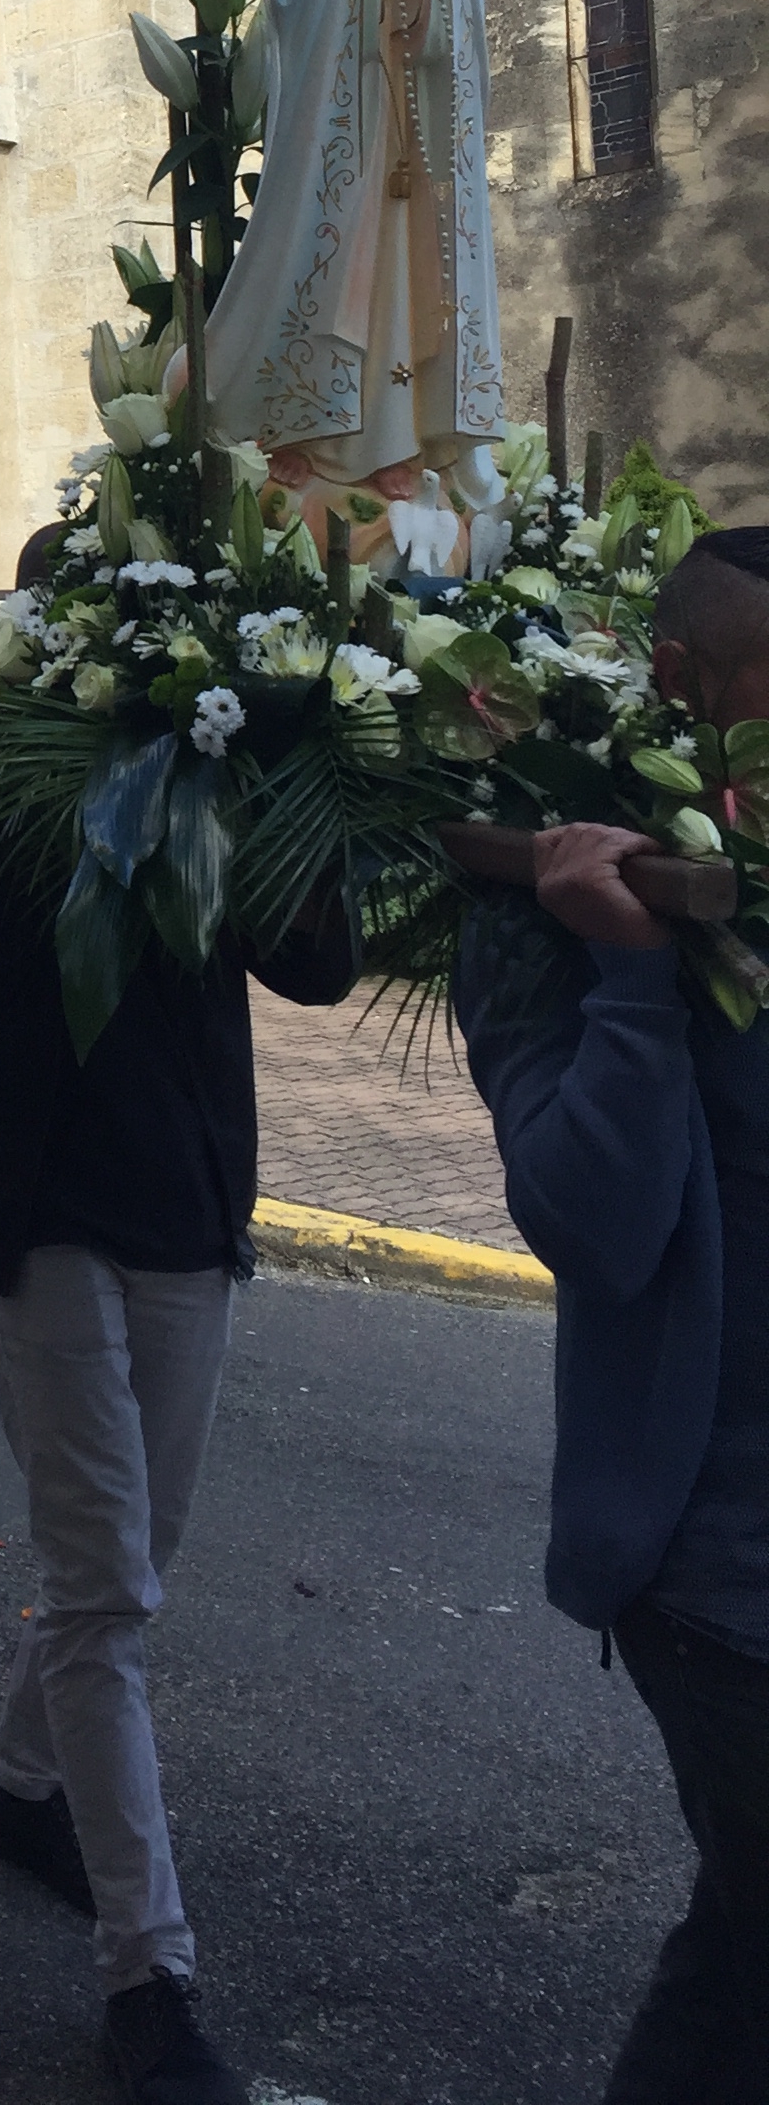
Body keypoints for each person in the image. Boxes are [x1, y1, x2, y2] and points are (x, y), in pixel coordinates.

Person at [0, 558, 356, 2105]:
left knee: (130, 1560)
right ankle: (146, 1974)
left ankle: (26, 1788)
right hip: (28, 1209)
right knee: (107, 1591)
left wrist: (282, 773)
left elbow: (318, 964)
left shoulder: (204, 762)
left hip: (182, 1201)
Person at [455, 528, 769, 2105]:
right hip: (720, 1571)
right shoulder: (540, 919)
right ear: (679, 682)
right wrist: (632, 976)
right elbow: (593, 1222)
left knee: (741, 1964)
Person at [200, 0, 504, 576]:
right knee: (341, 269)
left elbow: (463, 11)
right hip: (348, 123)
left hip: (422, 128)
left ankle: (405, 444)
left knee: (416, 278)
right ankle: (323, 439)